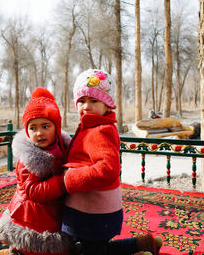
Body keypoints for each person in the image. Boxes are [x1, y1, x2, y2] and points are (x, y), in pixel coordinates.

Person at [61, 69, 163, 255]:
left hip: (92, 211)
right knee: (97, 248)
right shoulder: (89, 126)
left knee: (88, 251)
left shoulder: (101, 130)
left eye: (94, 101)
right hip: (89, 208)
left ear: (107, 106)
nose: (86, 106)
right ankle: (145, 244)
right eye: (82, 101)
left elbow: (108, 169)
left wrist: (70, 178)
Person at [0, 87, 72, 255]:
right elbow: (33, 191)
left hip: (52, 207)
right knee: (35, 245)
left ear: (56, 128)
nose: (39, 133)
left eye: (45, 126)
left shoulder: (60, 148)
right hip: (32, 213)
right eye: (33, 128)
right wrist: (64, 181)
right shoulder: (28, 159)